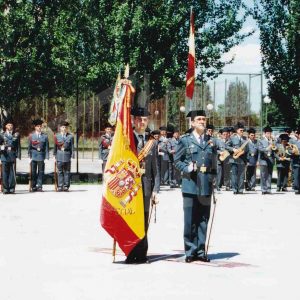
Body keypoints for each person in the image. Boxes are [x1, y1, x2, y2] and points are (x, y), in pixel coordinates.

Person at [174, 109, 217, 263]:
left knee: (203, 219)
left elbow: (213, 163)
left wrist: (213, 181)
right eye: (199, 119)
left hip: (205, 185)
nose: (202, 121)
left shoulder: (210, 140)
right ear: (192, 122)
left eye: (204, 119)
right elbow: (177, 161)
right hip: (190, 185)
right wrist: (187, 168)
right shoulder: (185, 140)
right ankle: (190, 251)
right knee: (190, 220)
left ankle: (201, 251)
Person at [125, 107, 159, 264]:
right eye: (139, 119)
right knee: (131, 219)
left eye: (145, 119)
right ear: (133, 120)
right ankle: (131, 253)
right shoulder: (126, 139)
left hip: (146, 186)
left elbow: (156, 169)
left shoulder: (152, 141)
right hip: (130, 186)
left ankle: (142, 253)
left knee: (144, 220)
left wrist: (156, 190)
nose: (142, 122)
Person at [225, 122, 248, 194]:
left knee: (241, 175)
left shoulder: (245, 139)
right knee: (234, 175)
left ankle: (240, 190)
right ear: (237, 130)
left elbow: (247, 148)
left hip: (242, 159)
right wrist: (233, 149)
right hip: (234, 159)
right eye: (241, 130)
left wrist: (244, 152)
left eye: (243, 130)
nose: (242, 132)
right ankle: (235, 189)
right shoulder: (232, 138)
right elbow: (226, 146)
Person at [0, 118, 21, 194]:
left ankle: (12, 188)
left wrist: (18, 155)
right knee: (4, 172)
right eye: (8, 125)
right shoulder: (1, 134)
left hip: (12, 154)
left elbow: (18, 145)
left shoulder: (16, 134)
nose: (10, 126)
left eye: (11, 125)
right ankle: (5, 188)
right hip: (4, 155)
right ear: (6, 126)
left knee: (12, 172)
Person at [28, 119, 49, 192]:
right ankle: (33, 186)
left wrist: (46, 157)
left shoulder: (45, 136)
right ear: (35, 127)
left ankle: (39, 186)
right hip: (33, 155)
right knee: (33, 172)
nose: (39, 127)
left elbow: (47, 147)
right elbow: (29, 147)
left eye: (40, 126)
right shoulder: (31, 135)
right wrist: (29, 157)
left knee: (41, 172)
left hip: (41, 156)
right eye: (38, 126)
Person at [53, 121, 74, 192]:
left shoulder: (70, 136)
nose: (64, 128)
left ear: (67, 128)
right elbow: (55, 147)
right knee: (59, 171)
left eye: (65, 127)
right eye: (63, 127)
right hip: (59, 155)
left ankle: (66, 186)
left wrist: (73, 156)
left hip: (67, 155)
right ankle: (60, 186)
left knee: (67, 172)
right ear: (60, 128)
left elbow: (72, 147)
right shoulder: (56, 136)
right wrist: (54, 156)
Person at [258, 126, 275, 195]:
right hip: (263, 160)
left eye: (270, 133)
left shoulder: (273, 140)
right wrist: (268, 147)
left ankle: (268, 189)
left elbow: (275, 149)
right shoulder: (260, 140)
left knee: (269, 175)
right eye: (268, 133)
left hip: (270, 159)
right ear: (264, 133)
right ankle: (263, 189)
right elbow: (260, 149)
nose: (269, 135)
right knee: (263, 175)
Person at [288, 128, 300, 194]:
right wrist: (292, 151)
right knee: (296, 175)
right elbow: (289, 149)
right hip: (296, 161)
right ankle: (297, 188)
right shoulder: (294, 142)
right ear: (298, 135)